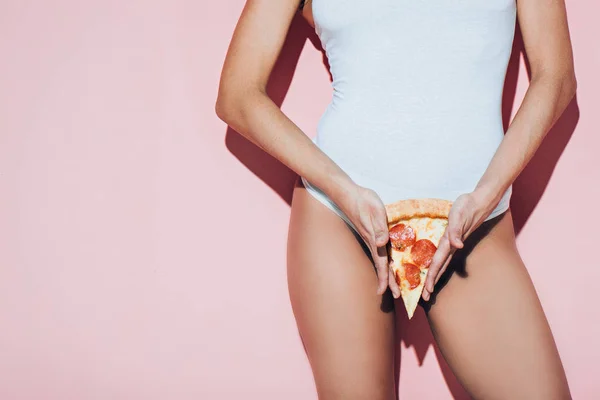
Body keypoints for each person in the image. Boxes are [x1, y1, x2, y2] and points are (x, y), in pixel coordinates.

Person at [215, 0, 576, 398]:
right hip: (341, 216)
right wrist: (342, 189)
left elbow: (555, 77)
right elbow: (237, 94)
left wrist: (486, 194)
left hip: (473, 221)